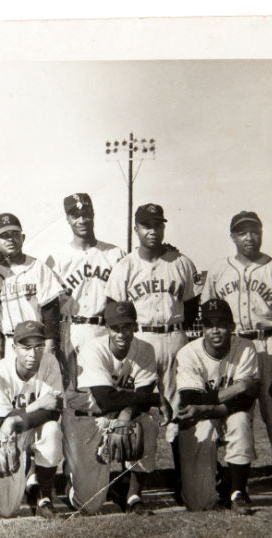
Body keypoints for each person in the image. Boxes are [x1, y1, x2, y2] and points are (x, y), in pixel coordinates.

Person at [202, 211, 272, 507]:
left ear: (261, 233)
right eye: (242, 232)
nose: (249, 237)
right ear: (232, 236)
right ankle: (238, 488)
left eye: (254, 231)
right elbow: (208, 318)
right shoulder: (217, 271)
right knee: (237, 416)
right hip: (235, 349)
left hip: (271, 345)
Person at [104, 203, 200, 499]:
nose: (153, 230)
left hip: (174, 338)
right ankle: (129, 486)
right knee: (136, 408)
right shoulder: (125, 266)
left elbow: (192, 306)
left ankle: (186, 479)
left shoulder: (181, 261)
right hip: (140, 339)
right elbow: (113, 309)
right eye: (146, 225)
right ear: (136, 229)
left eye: (157, 225)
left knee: (180, 408)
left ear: (163, 228)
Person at [62, 301, 165, 515]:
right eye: (115, 328)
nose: (121, 333)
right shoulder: (93, 349)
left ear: (135, 327)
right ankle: (70, 478)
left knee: (146, 424)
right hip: (85, 417)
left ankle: (133, 494)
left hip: (116, 414)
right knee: (89, 505)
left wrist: (126, 416)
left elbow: (143, 400)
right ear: (107, 328)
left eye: (126, 327)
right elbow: (105, 399)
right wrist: (155, 399)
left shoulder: (145, 349)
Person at [173, 299, 261, 514]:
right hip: (198, 417)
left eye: (221, 324)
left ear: (231, 326)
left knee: (240, 420)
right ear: (202, 328)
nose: (215, 330)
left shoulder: (245, 348)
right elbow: (192, 399)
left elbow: (246, 400)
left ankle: (238, 493)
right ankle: (221, 477)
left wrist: (207, 407)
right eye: (209, 325)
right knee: (198, 503)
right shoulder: (188, 353)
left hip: (222, 413)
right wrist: (236, 389)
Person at [0, 321, 65, 519]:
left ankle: (44, 498)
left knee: (52, 430)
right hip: (6, 436)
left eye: (38, 346)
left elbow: (54, 409)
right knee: (5, 510)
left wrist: (13, 419)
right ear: (14, 348)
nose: (33, 353)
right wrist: (34, 406)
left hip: (30, 427)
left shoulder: (49, 362)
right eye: (26, 347)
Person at [45, 193, 125, 387]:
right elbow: (48, 306)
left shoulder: (114, 253)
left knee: (105, 387)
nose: (81, 220)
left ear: (93, 214)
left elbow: (123, 301)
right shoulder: (57, 257)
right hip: (70, 329)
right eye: (75, 215)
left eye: (86, 214)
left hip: (103, 329)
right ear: (67, 219)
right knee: (70, 390)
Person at [0, 212, 61, 368]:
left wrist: (49, 350)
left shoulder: (38, 268)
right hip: (0, 343)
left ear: (23, 237)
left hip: (33, 343)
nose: (11, 239)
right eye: (4, 235)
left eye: (15, 234)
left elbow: (51, 311)